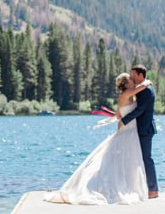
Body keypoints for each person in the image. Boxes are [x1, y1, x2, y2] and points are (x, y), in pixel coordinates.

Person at [45, 73, 152, 204]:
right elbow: (140, 88)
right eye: (130, 79)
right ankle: (119, 186)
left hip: (128, 129)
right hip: (128, 131)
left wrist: (124, 116)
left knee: (125, 159)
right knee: (125, 159)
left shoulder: (125, 95)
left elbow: (118, 115)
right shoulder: (128, 93)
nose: (132, 80)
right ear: (126, 84)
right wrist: (147, 82)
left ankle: (126, 184)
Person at [119, 64, 158, 199]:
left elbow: (140, 110)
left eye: (133, 75)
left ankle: (153, 190)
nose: (132, 78)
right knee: (136, 159)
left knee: (146, 159)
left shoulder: (146, 91)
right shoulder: (141, 88)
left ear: (141, 75)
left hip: (145, 129)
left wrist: (124, 120)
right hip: (139, 129)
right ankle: (142, 188)